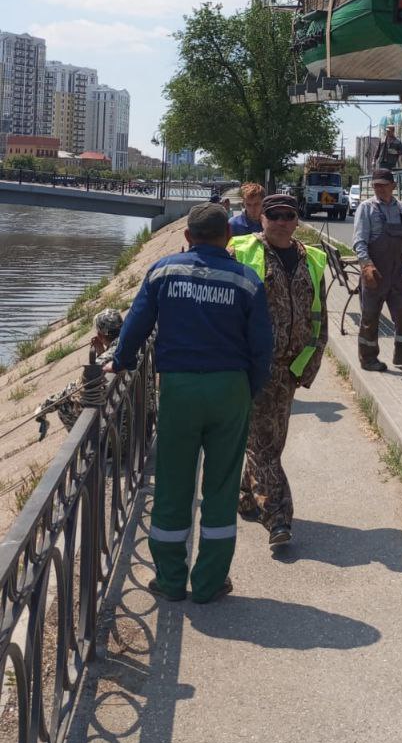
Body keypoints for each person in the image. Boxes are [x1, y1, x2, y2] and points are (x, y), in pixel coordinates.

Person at [105, 202, 273, 603]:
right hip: (230, 388)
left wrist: (121, 363)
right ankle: (211, 582)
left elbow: (134, 329)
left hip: (178, 388)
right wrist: (246, 390)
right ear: (228, 238)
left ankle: (170, 579)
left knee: (173, 483)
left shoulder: (163, 271)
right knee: (221, 485)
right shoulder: (247, 280)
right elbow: (263, 349)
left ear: (187, 237)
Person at [229, 193, 328, 548]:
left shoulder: (311, 259)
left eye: (289, 215)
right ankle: (278, 518)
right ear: (263, 219)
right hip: (253, 368)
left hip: (290, 369)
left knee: (272, 442)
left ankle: (246, 498)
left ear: (297, 220)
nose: (282, 221)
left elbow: (320, 317)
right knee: (263, 446)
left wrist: (309, 364)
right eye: (275, 215)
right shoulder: (240, 253)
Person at [352, 167, 402, 372]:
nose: (379, 189)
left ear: (393, 186)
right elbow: (359, 242)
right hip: (374, 272)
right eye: (376, 185)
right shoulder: (366, 208)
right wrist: (366, 265)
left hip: (396, 273)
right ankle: (368, 358)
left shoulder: (400, 209)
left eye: (383, 185)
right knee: (370, 317)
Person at [34, 307, 123, 437]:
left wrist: (44, 407)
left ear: (99, 335)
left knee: (65, 407)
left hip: (121, 436)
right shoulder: (129, 344)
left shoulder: (101, 364)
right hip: (141, 423)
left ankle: (90, 449)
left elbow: (75, 389)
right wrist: (101, 352)